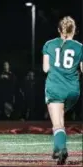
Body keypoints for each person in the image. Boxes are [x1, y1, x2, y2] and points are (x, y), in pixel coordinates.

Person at [42, 16, 83, 165]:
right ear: (74, 31)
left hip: (55, 88)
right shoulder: (80, 47)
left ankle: (62, 148)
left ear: (59, 29)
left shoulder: (49, 44)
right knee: (60, 116)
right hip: (73, 90)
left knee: (57, 123)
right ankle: (56, 148)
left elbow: (46, 69)